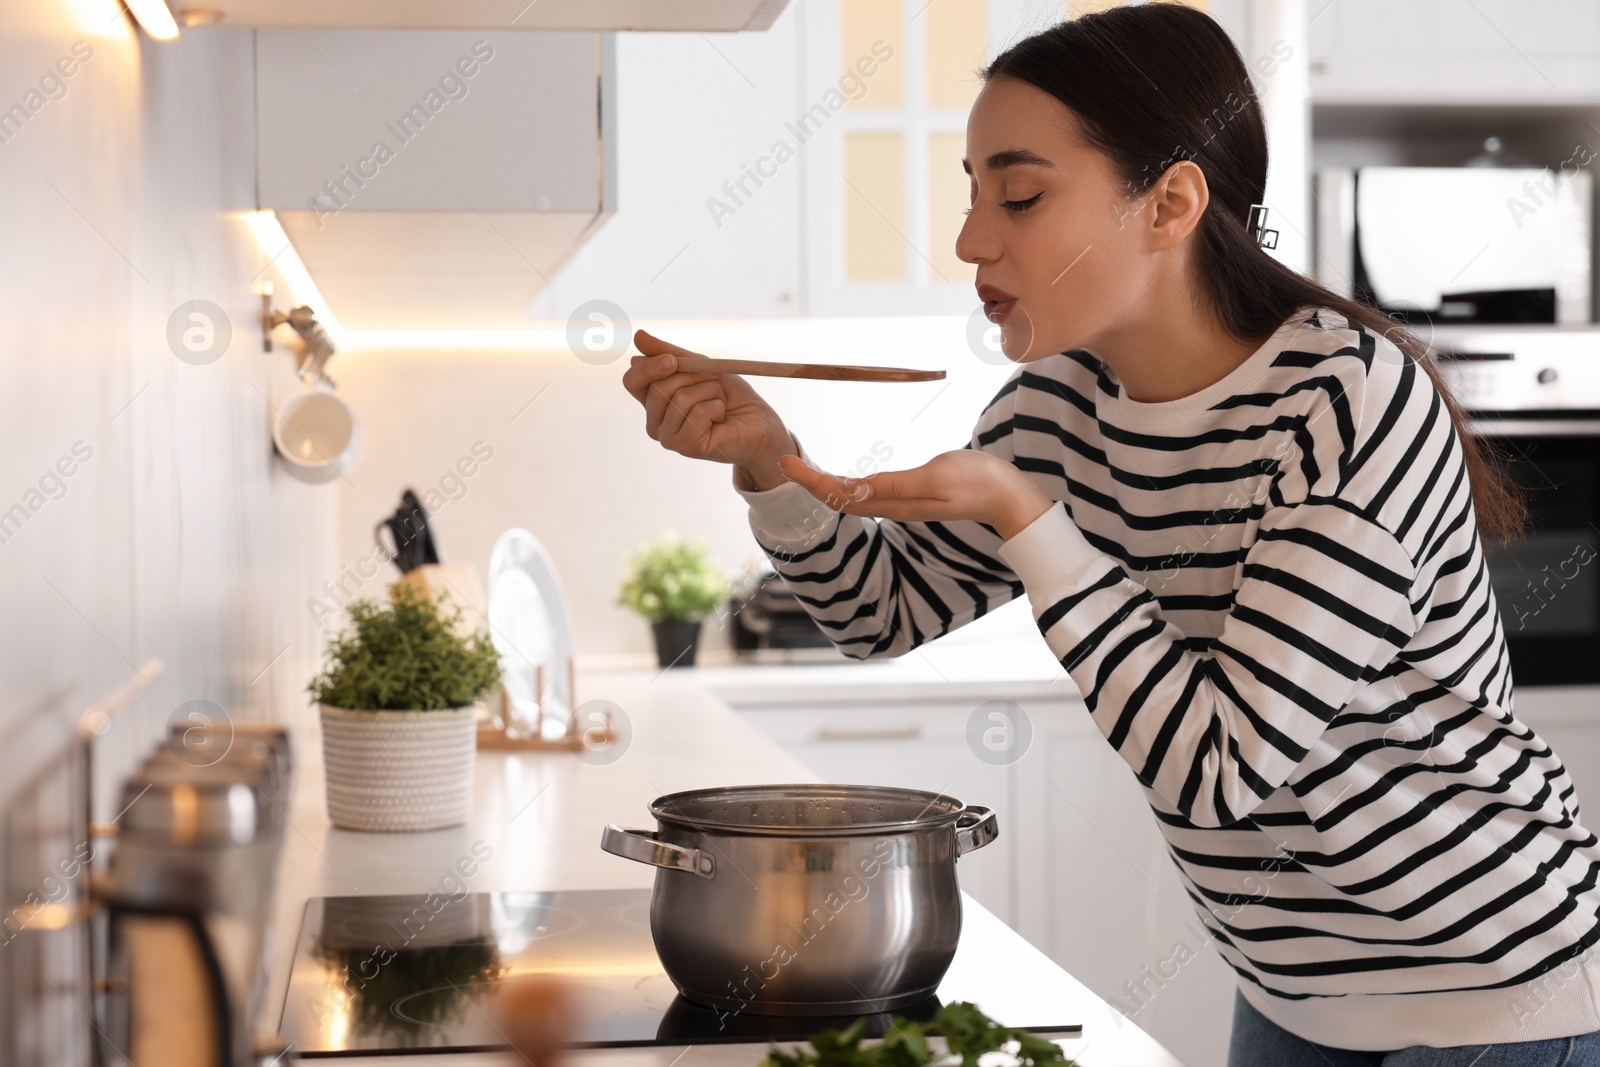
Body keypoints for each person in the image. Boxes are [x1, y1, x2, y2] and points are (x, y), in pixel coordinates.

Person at [622, 5, 1600, 1064]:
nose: (969, 238)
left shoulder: (1344, 398)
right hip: (1287, 997)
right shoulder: (1057, 408)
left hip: (1496, 992)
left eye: (1022, 194)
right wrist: (768, 462)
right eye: (972, 190)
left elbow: (1222, 764)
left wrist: (1025, 516)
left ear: (1170, 201)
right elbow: (877, 612)